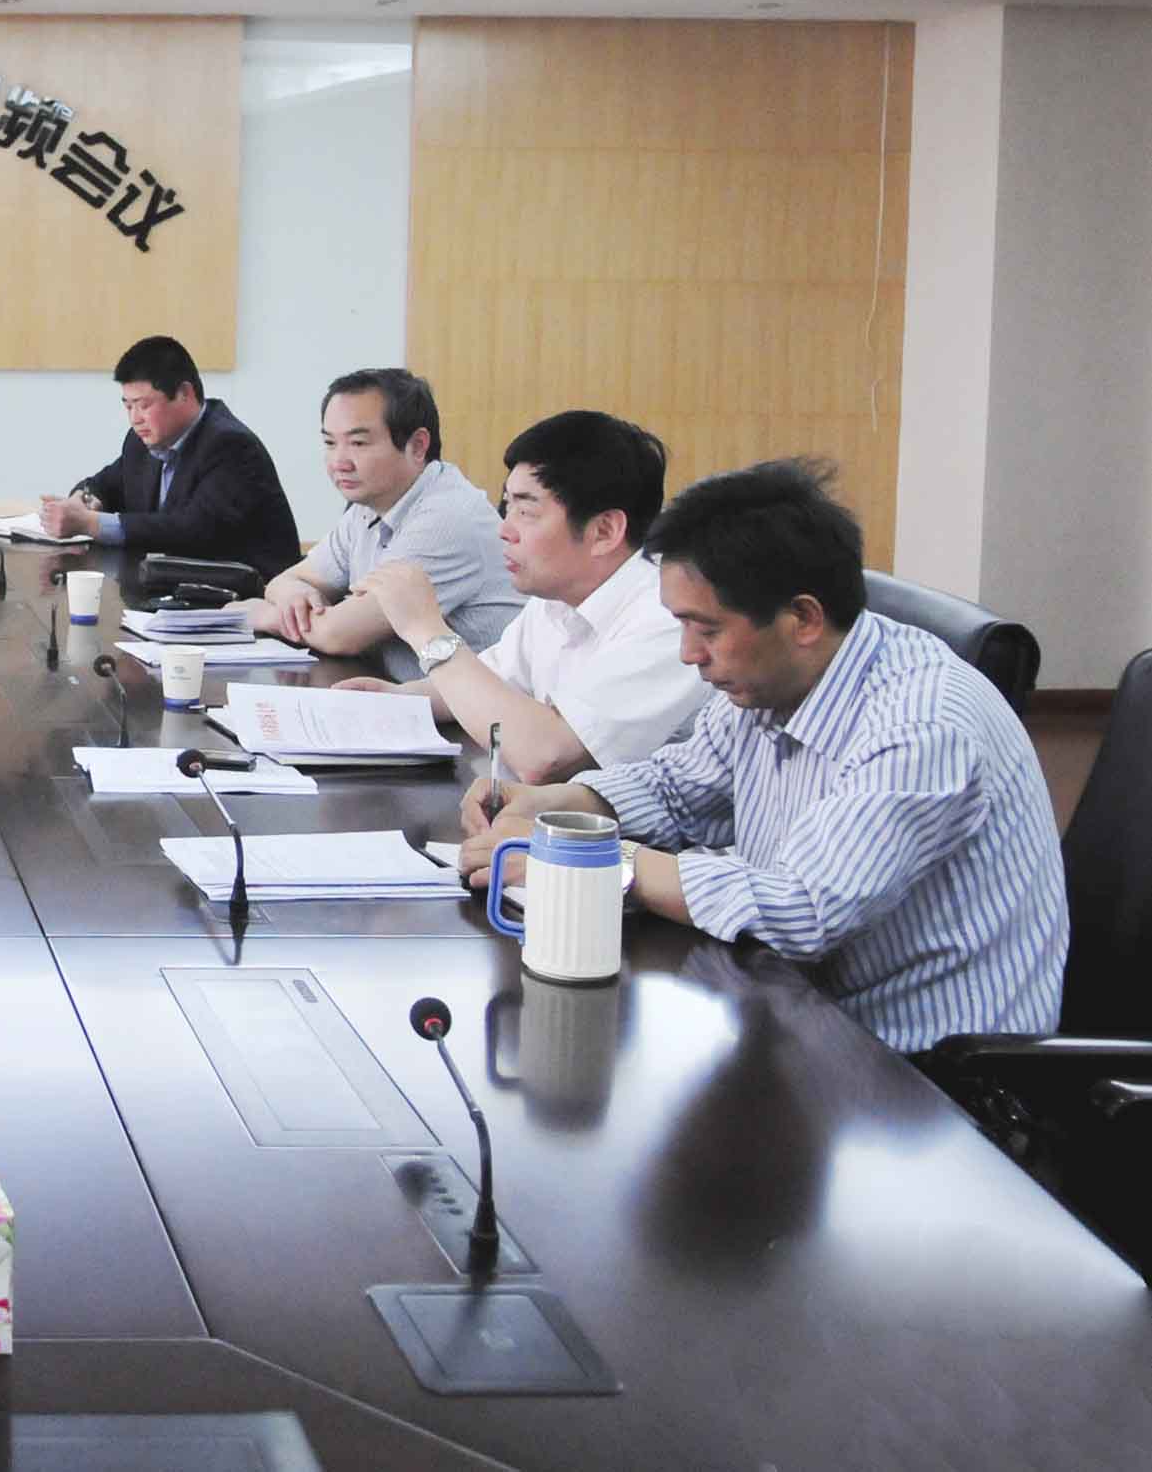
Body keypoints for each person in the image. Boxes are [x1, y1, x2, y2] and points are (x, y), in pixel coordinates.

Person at [459, 460, 1067, 1053]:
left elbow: (803, 908)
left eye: (707, 630)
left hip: (926, 1073)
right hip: (800, 1018)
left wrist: (583, 858)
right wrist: (556, 803)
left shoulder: (923, 724)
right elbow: (681, 788)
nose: (688, 654)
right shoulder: (773, 678)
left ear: (802, 618)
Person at [336, 409, 704, 780]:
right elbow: (489, 684)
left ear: (605, 531)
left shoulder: (669, 617)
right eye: (506, 505)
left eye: (526, 511)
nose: (504, 530)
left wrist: (426, 630)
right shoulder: (555, 598)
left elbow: (546, 757)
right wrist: (396, 700)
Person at [248, 367, 521, 678]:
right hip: (397, 692)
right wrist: (291, 597)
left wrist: (268, 616)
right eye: (330, 443)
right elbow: (286, 581)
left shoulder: (448, 518)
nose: (339, 462)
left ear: (417, 446)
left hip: (461, 707)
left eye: (358, 443)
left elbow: (338, 634)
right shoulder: (368, 506)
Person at [32, 334, 300, 578]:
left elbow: (193, 530)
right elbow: (104, 483)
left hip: (251, 597)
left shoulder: (231, 445)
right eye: (128, 406)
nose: (135, 419)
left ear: (184, 393)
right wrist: (82, 501)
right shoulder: (141, 441)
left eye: (144, 405)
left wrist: (91, 524)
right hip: (173, 589)